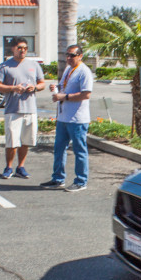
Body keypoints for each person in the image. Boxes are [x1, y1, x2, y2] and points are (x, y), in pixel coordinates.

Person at [42, 44, 93, 192]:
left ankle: (81, 181)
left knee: (79, 150)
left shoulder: (84, 72)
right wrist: (56, 88)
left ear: (80, 56)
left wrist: (64, 96)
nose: (69, 58)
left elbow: (86, 94)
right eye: (67, 55)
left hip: (77, 119)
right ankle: (58, 178)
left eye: (72, 55)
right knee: (59, 149)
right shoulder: (68, 69)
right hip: (63, 117)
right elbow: (63, 87)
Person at [0, 37, 44, 179]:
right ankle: (8, 167)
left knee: (26, 141)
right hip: (13, 109)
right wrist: (13, 88)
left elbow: (42, 83)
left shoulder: (33, 65)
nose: (22, 50)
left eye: (25, 48)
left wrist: (34, 87)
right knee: (12, 142)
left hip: (30, 109)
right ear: (13, 49)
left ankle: (20, 167)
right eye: (20, 47)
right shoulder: (5, 66)